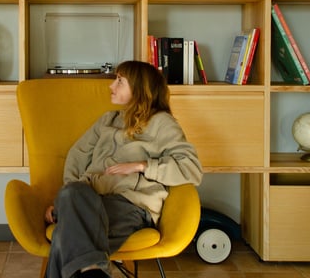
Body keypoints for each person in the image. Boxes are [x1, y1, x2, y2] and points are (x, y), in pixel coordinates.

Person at [44, 60, 203, 278]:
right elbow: (77, 155)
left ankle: (91, 270)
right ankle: (92, 270)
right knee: (71, 193)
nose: (111, 86)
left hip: (131, 204)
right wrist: (66, 204)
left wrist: (143, 166)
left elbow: (191, 168)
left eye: (120, 81)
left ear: (140, 89)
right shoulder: (107, 120)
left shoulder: (162, 124)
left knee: (64, 235)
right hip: (91, 198)